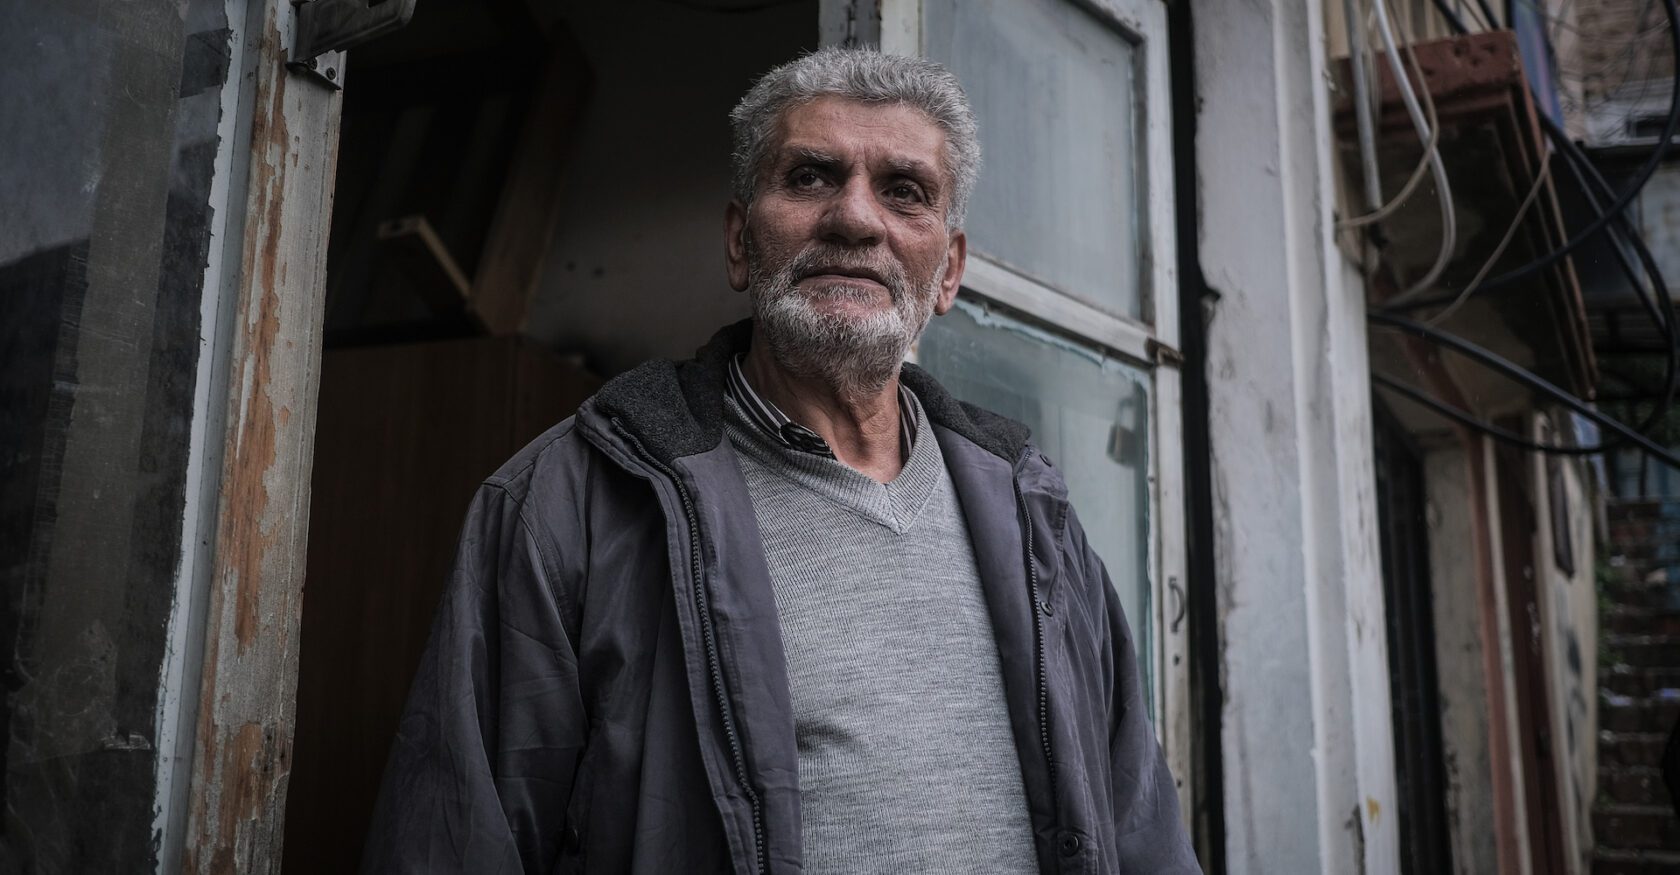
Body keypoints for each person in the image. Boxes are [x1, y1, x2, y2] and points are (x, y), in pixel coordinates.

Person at [363, 47, 1200, 874]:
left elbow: (1141, 833)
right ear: (739, 242)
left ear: (948, 270)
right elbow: (451, 839)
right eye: (810, 177)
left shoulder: (1035, 521)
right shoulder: (567, 504)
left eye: (904, 191)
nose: (855, 218)